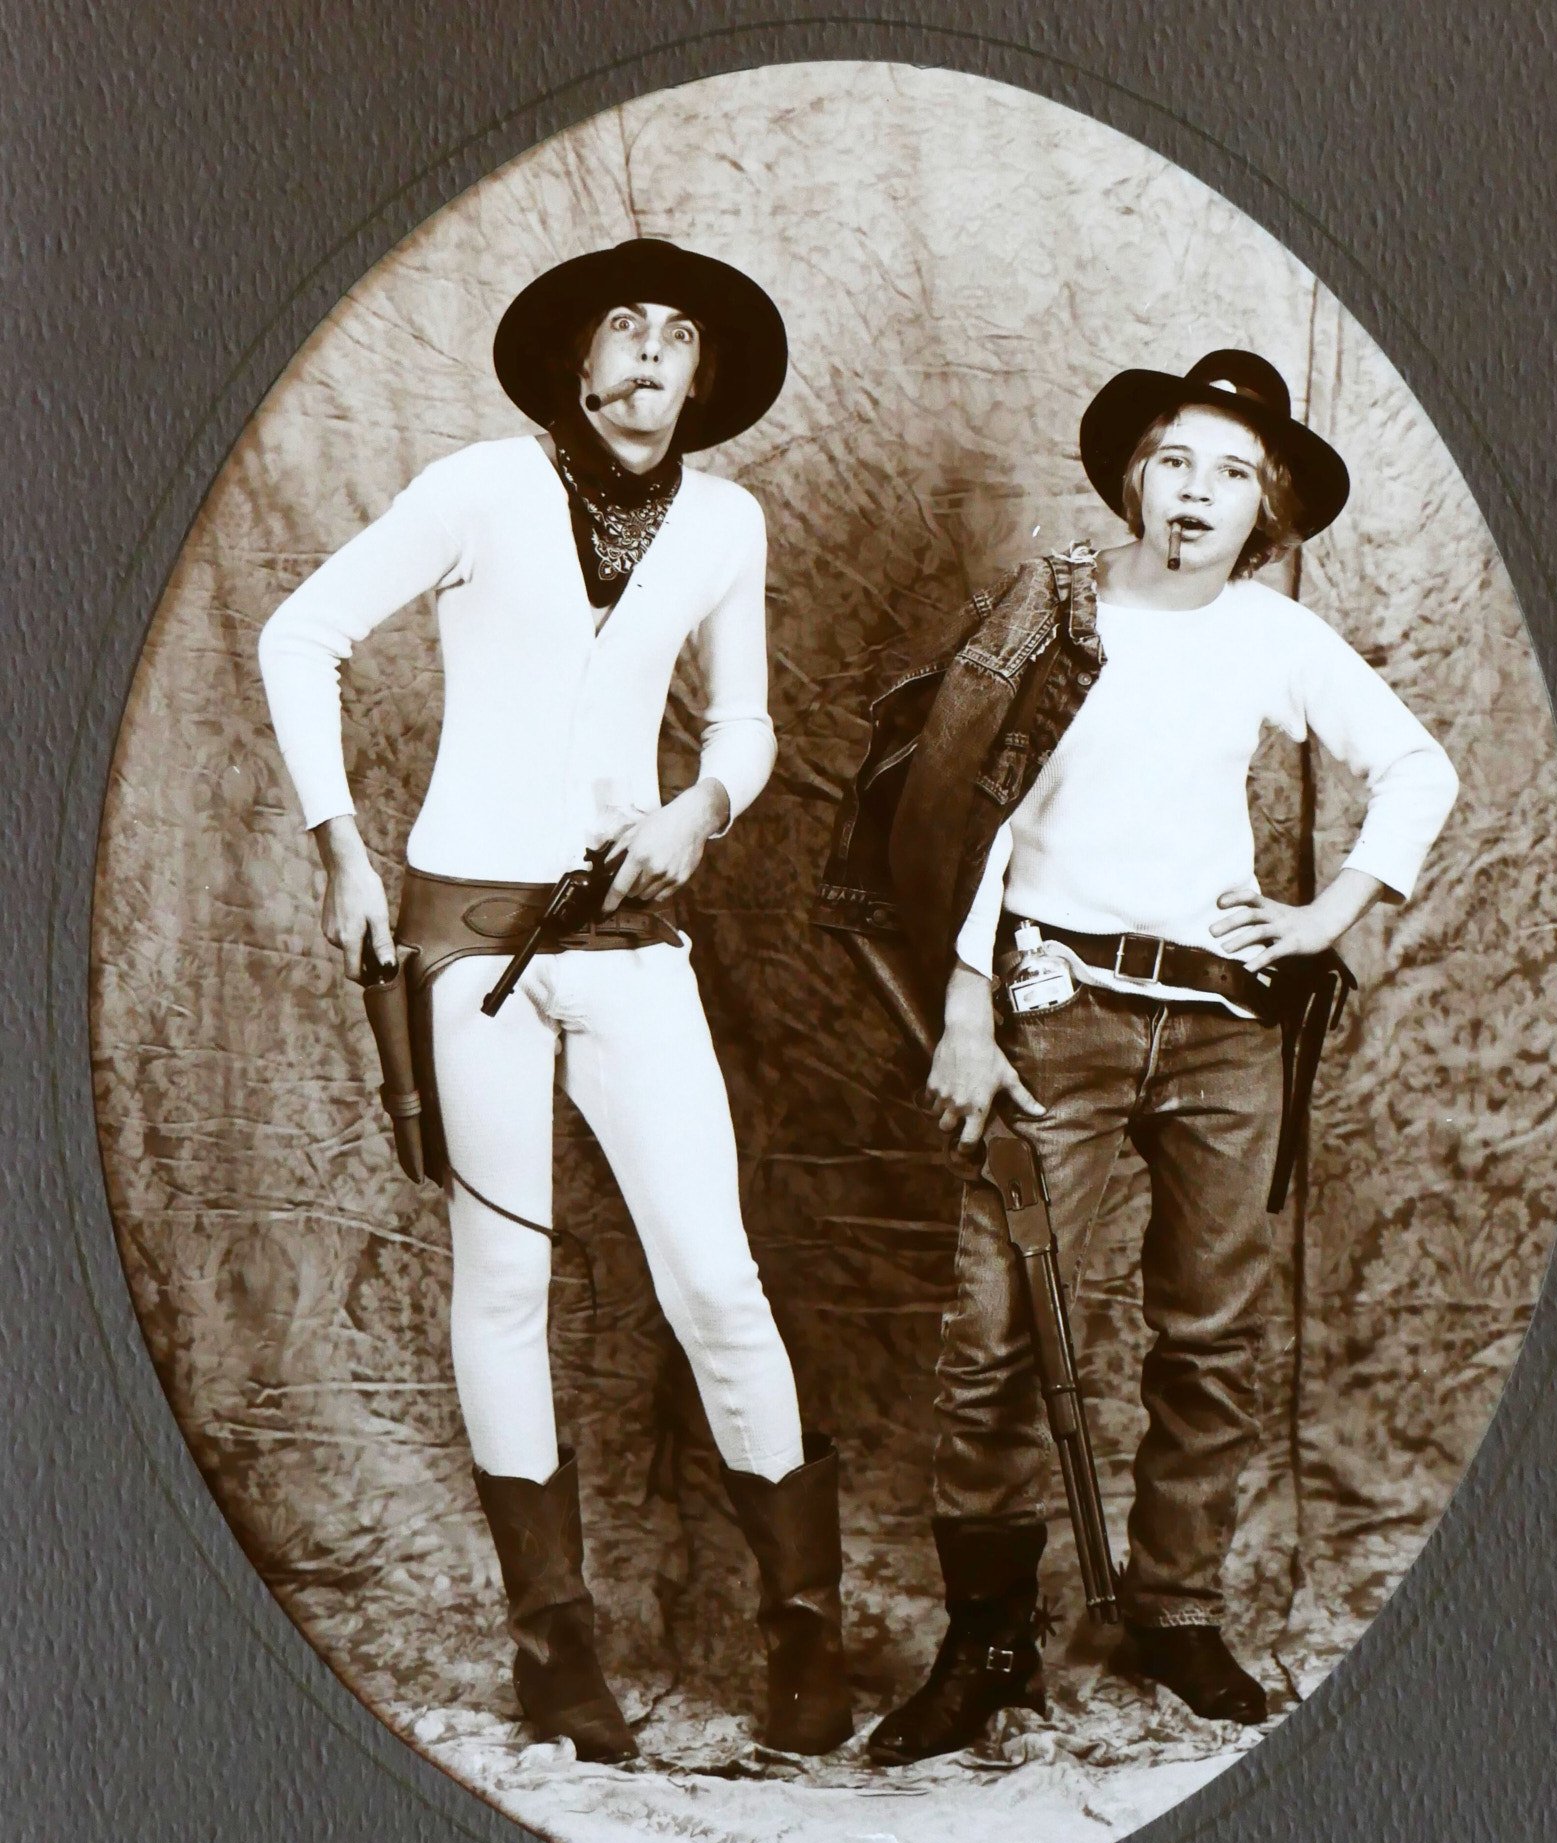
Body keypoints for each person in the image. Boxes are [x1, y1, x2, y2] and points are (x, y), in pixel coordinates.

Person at [257, 237, 852, 1764]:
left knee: (715, 1279)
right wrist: (341, 850)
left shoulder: (724, 520)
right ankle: (554, 1650)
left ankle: (805, 1633)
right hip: (468, 941)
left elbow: (748, 721)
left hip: (629, 935)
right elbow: (299, 633)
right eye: (623, 328)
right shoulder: (479, 489)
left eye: (678, 334)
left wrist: (699, 810)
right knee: (504, 1284)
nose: (650, 351)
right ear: (577, 361)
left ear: (703, 376)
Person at [855, 350, 1459, 1764]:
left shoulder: (1272, 634)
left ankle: (1177, 1609)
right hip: (1054, 1009)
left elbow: (1418, 768)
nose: (1198, 490)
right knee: (997, 1335)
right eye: (1177, 460)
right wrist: (965, 1011)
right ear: (1137, 478)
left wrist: (1323, 914)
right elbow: (968, 815)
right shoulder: (1048, 612)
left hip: (1225, 1030)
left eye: (1233, 472)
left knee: (1210, 1334)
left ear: (1267, 508)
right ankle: (987, 1640)